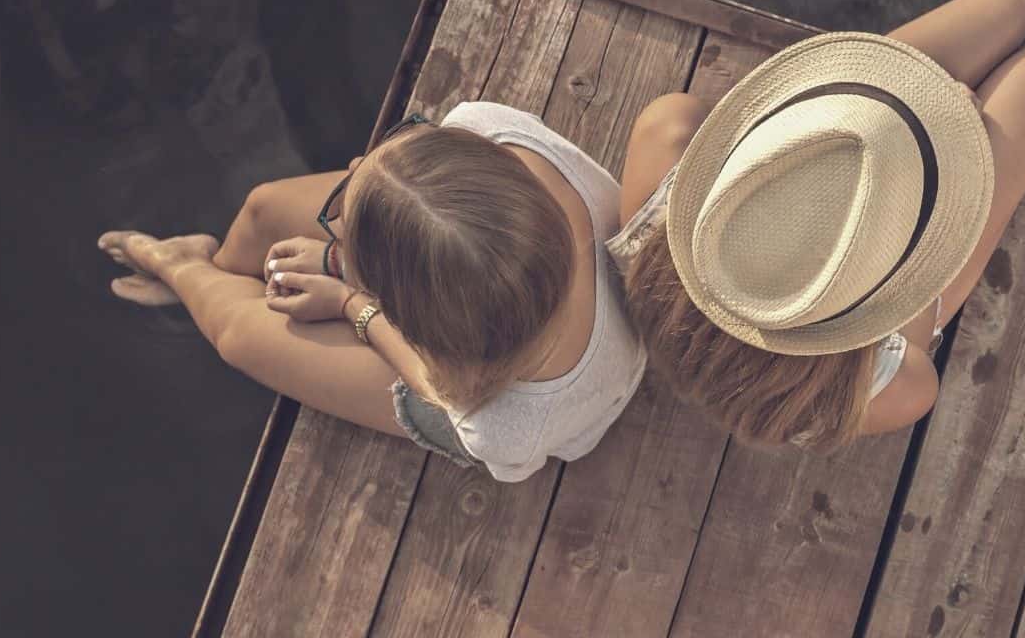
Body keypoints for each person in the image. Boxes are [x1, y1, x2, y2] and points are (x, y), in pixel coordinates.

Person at [607, 0, 1025, 448]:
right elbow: (915, 365)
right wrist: (941, 164)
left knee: (1008, 9)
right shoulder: (862, 386)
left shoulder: (660, 207)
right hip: (869, 189)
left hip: (836, 149)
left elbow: (682, 120)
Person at [97, 101, 647, 483]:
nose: (357, 162)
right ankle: (220, 262)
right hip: (480, 279)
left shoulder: (502, 428)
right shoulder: (494, 133)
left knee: (239, 336)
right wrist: (344, 256)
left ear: (410, 320)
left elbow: (442, 387)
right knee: (265, 207)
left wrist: (351, 305)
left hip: (525, 391)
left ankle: (182, 267)